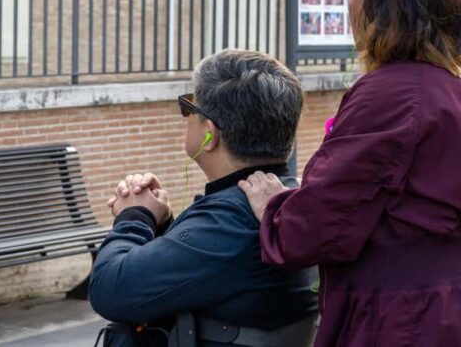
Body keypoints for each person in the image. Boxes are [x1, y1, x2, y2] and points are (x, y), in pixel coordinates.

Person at [239, 0, 461, 346]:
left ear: (384, 4)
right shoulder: (447, 90)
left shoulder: (393, 96)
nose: (349, 2)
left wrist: (274, 207)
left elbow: (319, 227)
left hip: (400, 321)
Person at [89, 49, 318, 347]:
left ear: (210, 134)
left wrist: (134, 217)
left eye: (189, 108)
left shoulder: (232, 220)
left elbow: (110, 290)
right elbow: (204, 272)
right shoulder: (288, 201)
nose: (186, 116)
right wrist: (163, 223)